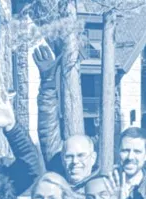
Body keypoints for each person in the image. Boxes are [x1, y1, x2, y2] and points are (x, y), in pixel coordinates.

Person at [31, 43, 98, 190]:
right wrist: (48, 83)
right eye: (69, 156)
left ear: (93, 158)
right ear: (62, 158)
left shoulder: (102, 188)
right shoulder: (58, 181)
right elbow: (47, 130)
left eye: (81, 156)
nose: (75, 162)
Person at [114, 127, 146, 199]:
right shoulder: (105, 185)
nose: (130, 157)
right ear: (118, 151)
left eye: (137, 151)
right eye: (125, 151)